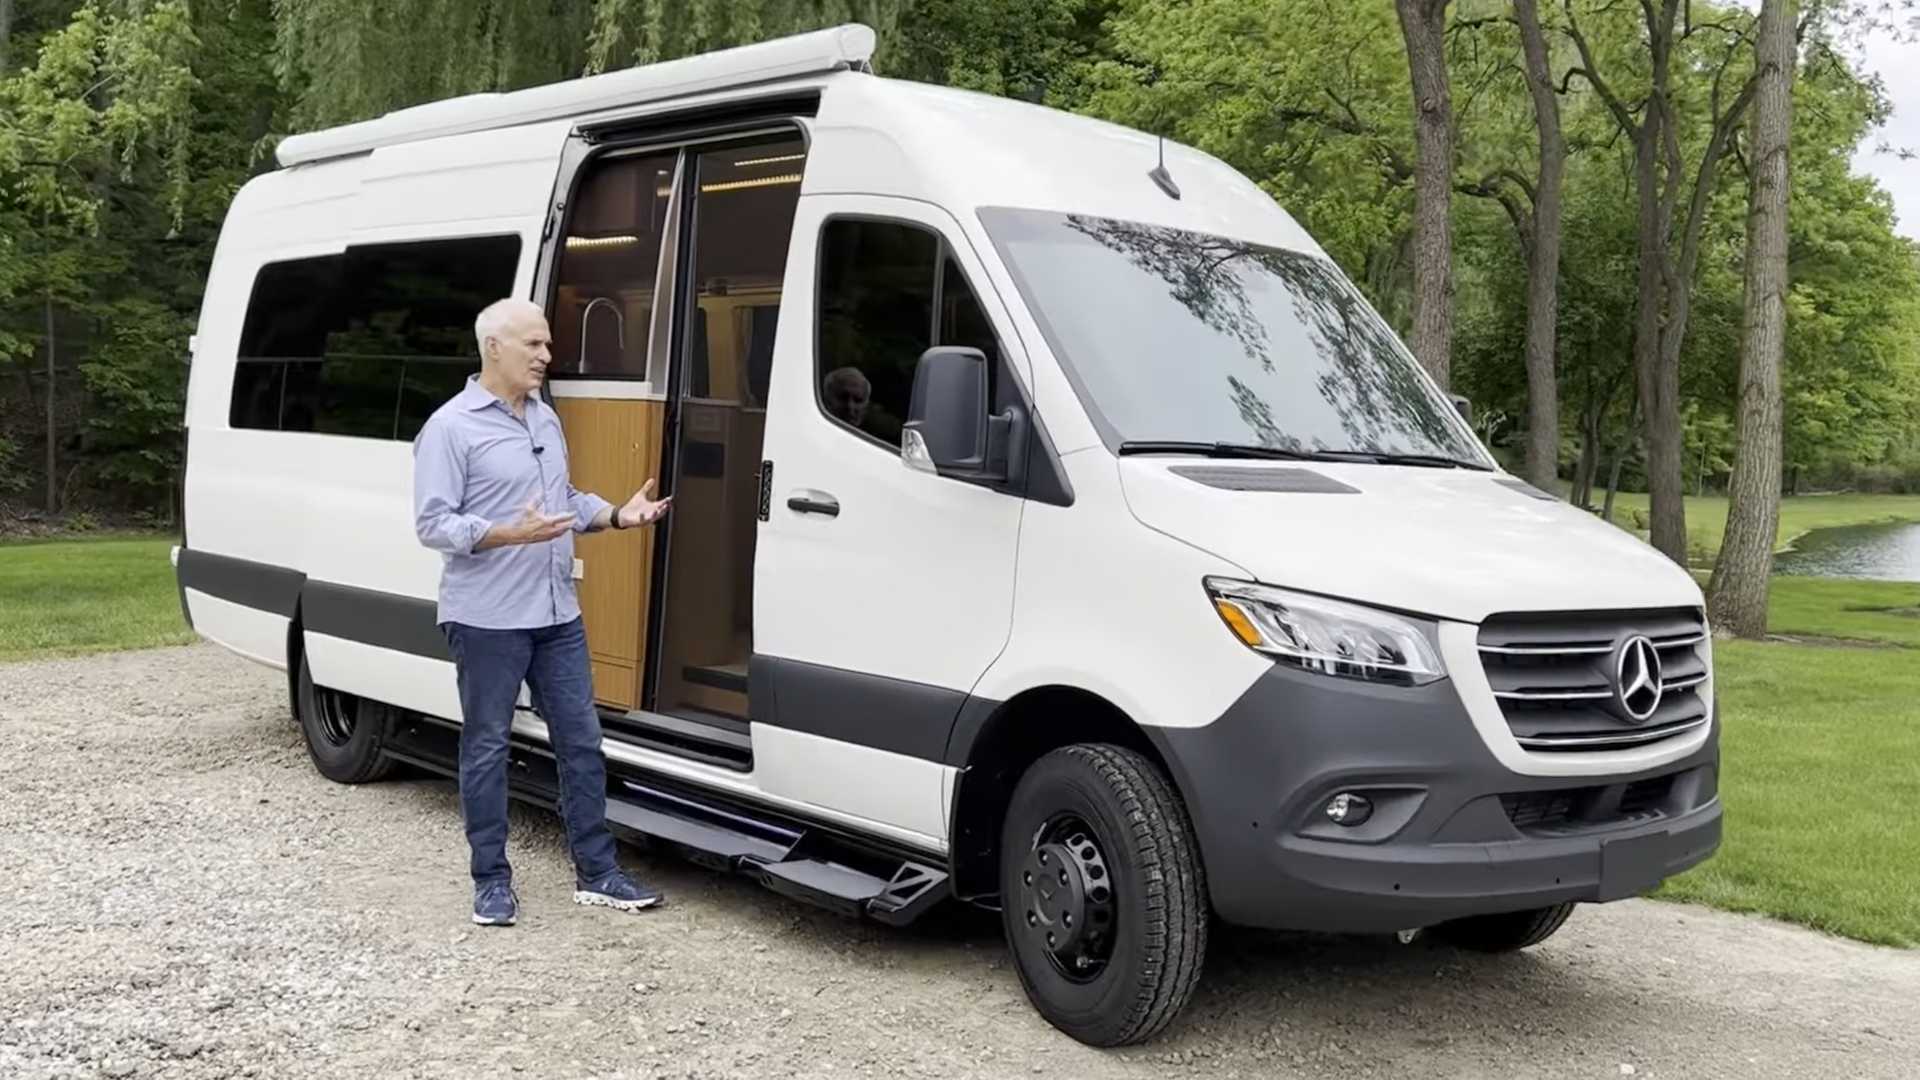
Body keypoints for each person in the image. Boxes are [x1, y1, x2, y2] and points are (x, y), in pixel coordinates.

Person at [411, 296, 671, 927]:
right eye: (535, 345)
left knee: (583, 743)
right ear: (494, 346)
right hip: (487, 619)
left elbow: (564, 502)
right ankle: (492, 881)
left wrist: (614, 515)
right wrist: (505, 533)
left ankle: (598, 871)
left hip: (557, 615)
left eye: (547, 345)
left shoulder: (545, 419)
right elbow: (432, 524)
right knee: (487, 748)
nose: (547, 357)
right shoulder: (451, 427)